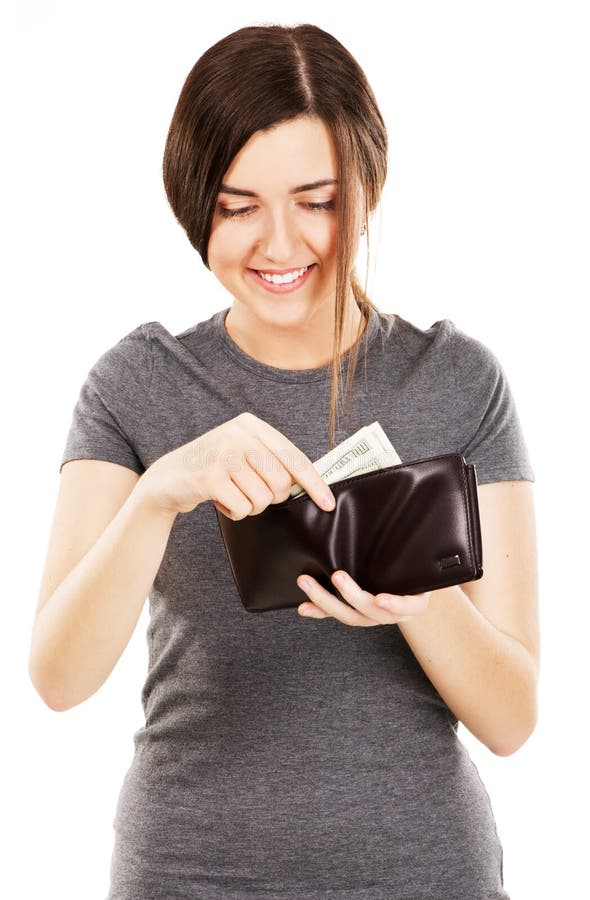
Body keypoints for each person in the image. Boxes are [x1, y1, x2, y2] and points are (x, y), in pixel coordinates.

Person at [29, 22, 539, 900]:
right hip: (189, 876)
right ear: (195, 203)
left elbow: (512, 719)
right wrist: (158, 496)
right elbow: (60, 678)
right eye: (237, 206)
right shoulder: (136, 384)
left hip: (424, 875)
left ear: (367, 191)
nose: (279, 244)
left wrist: (419, 600)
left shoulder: (458, 381)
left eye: (318, 200)